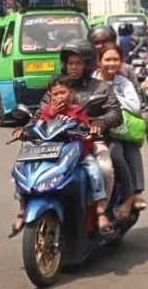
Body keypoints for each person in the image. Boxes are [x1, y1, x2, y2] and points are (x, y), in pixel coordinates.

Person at [14, 40, 130, 213]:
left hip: (88, 140)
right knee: (24, 167)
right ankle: (24, 206)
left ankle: (102, 211)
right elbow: (39, 115)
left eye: (78, 63)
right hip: (55, 141)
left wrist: (100, 122)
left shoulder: (101, 88)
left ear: (87, 65)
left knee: (105, 168)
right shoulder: (56, 87)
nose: (73, 67)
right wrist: (26, 128)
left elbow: (116, 113)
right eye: (70, 63)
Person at [9, 75, 113, 238]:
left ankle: (100, 210)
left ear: (71, 93)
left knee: (95, 170)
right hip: (49, 155)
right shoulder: (46, 111)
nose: (59, 97)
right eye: (55, 94)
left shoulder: (78, 111)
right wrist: (49, 115)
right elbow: (38, 129)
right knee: (20, 172)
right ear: (50, 95)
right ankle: (22, 211)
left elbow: (85, 132)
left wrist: (89, 133)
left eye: (62, 93)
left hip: (76, 156)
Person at [94, 43, 147, 217]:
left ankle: (130, 195)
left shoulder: (123, 82)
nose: (111, 63)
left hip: (117, 129)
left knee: (116, 153)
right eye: (107, 59)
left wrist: (111, 96)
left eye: (115, 59)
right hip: (91, 129)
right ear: (98, 61)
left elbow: (135, 106)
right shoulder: (90, 80)